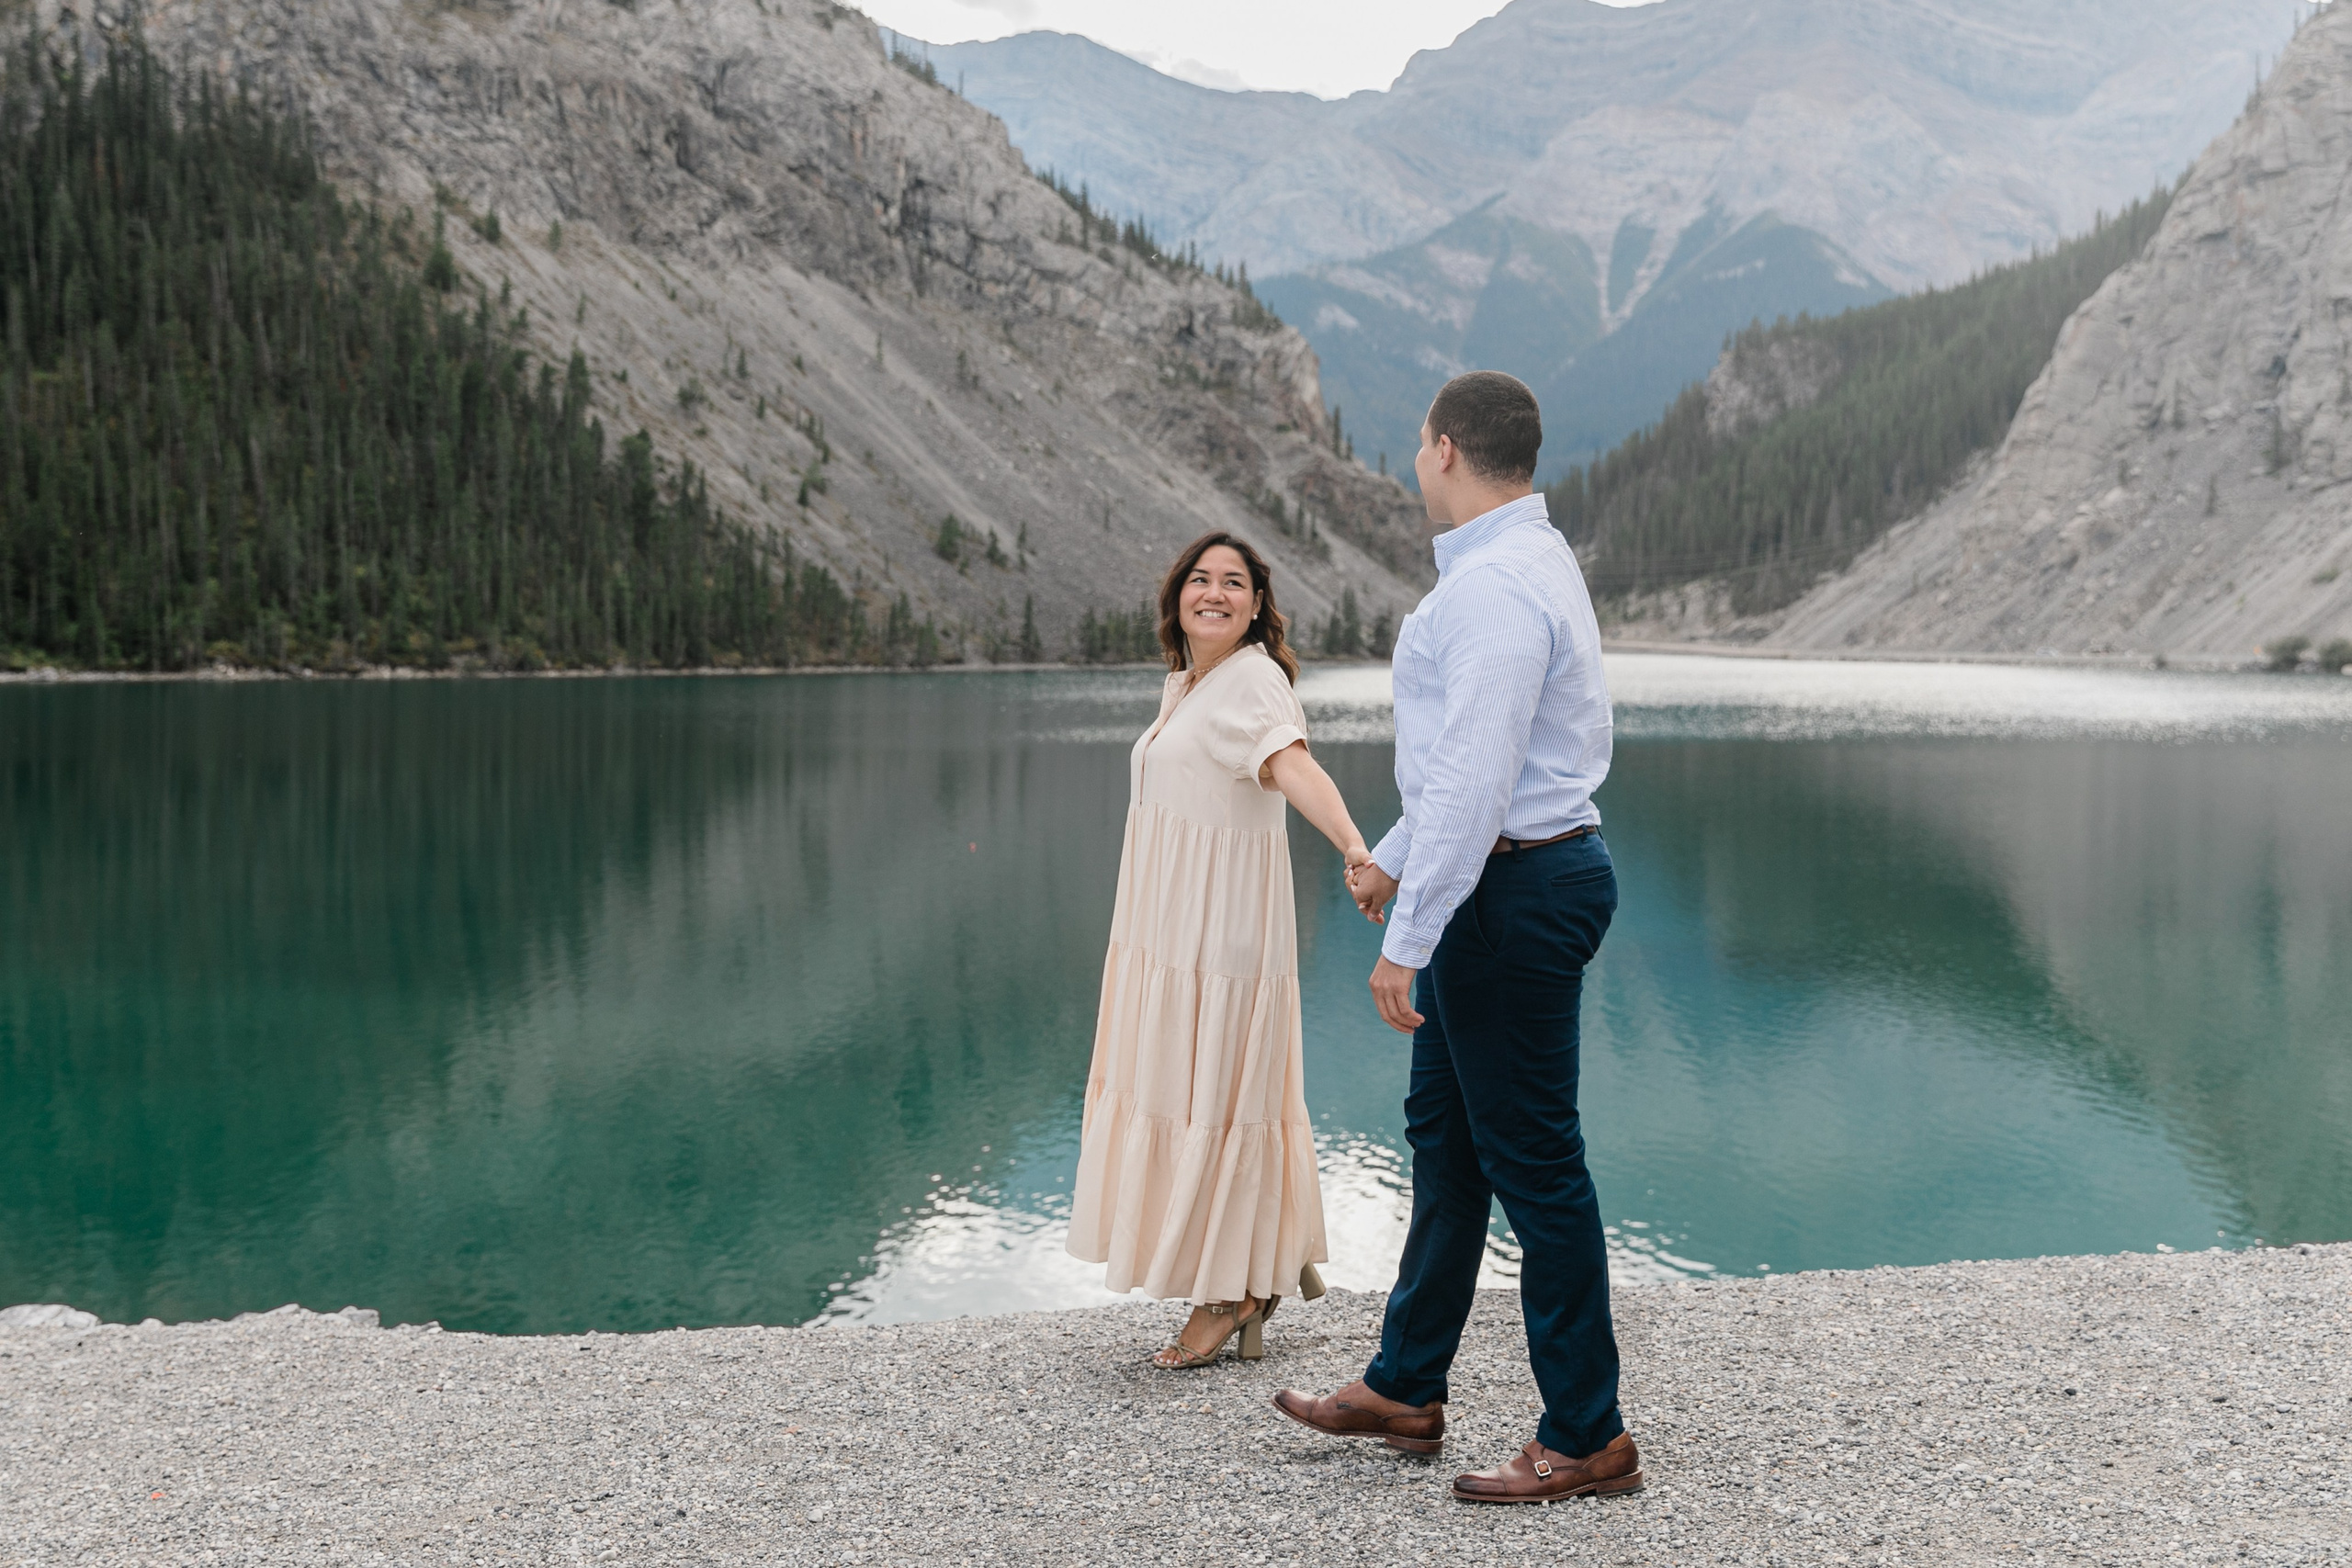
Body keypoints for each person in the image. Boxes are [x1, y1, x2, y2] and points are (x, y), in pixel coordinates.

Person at [1272, 372, 1643, 1504]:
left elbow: (1480, 783)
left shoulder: (1488, 588)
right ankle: (1405, 1384)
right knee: (1448, 1141)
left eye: (1415, 447)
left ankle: (1587, 1435)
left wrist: (1408, 936)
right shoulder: (1529, 562)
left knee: (1534, 1165)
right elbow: (1468, 768)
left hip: (1509, 894)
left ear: (1442, 449)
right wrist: (1393, 851)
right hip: (1509, 877)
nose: (1412, 462)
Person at [1066, 532, 1367, 1368]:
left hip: (1220, 933)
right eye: (1200, 579)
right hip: (1166, 927)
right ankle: (1253, 1266)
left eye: (1234, 583)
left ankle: (1234, 1289)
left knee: (1218, 1089)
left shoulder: (1254, 681)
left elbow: (1295, 767)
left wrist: (1354, 847)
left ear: (1258, 605)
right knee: (1192, 1083)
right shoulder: (1186, 684)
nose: (1215, 593)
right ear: (1178, 599)